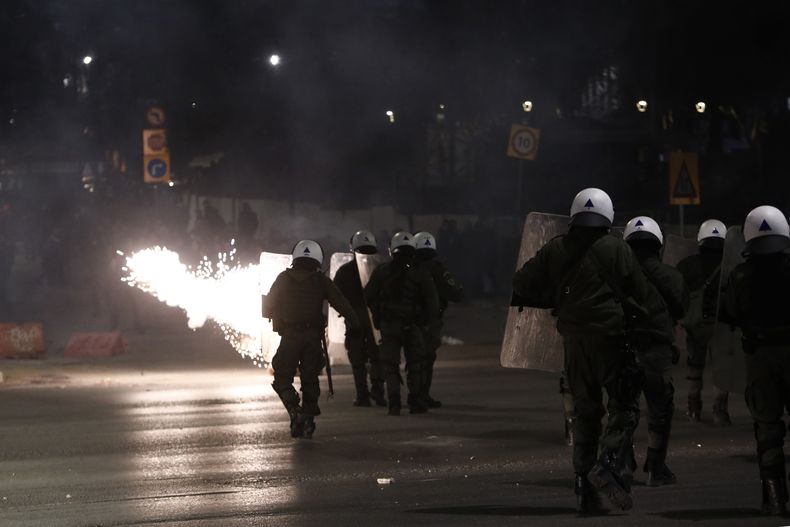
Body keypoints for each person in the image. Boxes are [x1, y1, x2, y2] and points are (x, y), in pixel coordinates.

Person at [512, 188, 658, 513]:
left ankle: (584, 489)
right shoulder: (618, 249)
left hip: (574, 343)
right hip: (611, 340)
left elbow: (521, 283)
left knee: (585, 412)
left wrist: (556, 293)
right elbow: (643, 294)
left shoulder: (556, 249)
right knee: (624, 407)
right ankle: (606, 463)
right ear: (607, 215)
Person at [723, 206, 790, 515]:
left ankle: (774, 498)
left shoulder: (740, 275)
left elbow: (731, 314)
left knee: (767, 427)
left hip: (761, 357)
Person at [264, 240, 359, 439]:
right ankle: (307, 419)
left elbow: (268, 307)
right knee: (310, 379)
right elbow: (341, 303)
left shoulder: (283, 278)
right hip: (312, 338)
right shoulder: (320, 281)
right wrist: (356, 323)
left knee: (282, 377)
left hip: (290, 336)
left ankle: (294, 410)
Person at [623, 216, 689, 486]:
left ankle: (623, 464)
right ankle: (656, 467)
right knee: (660, 409)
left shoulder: (618, 275)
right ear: (658, 245)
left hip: (624, 350)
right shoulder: (671, 276)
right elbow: (682, 309)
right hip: (657, 351)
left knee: (623, 408)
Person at [365, 232, 439, 416]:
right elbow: (432, 301)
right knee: (415, 365)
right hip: (412, 325)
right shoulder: (420, 272)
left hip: (389, 325)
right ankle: (415, 403)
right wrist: (428, 322)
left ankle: (394, 404)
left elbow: (368, 296)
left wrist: (378, 314)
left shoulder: (382, 270)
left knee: (390, 366)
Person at [676, 219, 729, 424]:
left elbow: (679, 294)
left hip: (696, 323)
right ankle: (719, 410)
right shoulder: (729, 265)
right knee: (721, 367)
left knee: (694, 366)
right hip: (721, 323)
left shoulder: (688, 265)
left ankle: (693, 407)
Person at [333, 230, 386, 407]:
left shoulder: (344, 271)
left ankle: (362, 395)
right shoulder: (382, 269)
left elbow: (335, 297)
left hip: (355, 320)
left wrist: (346, 313)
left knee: (358, 360)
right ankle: (378, 394)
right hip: (376, 320)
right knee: (377, 357)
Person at [413, 231, 464, 408]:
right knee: (427, 358)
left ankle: (415, 396)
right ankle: (422, 395)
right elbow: (454, 293)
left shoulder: (408, 267)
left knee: (415, 359)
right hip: (432, 321)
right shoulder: (438, 268)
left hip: (412, 321)